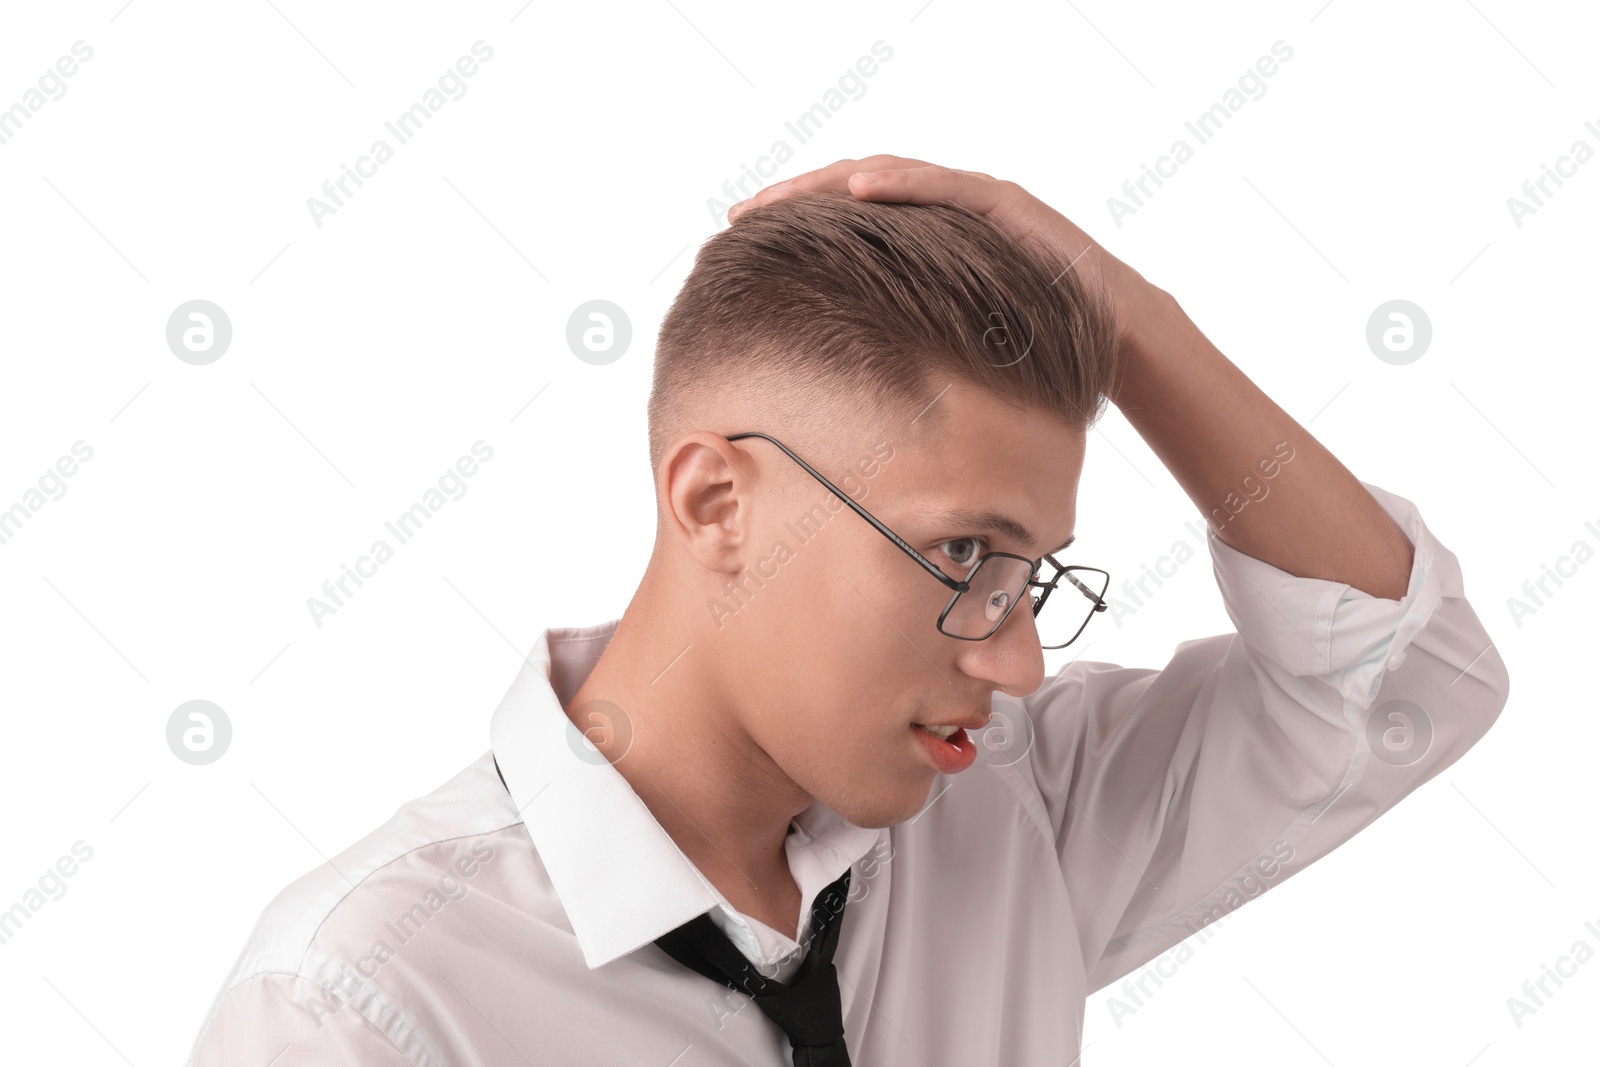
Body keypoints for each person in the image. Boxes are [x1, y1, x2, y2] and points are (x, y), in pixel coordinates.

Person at [185, 155, 1509, 1065]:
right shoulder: (360, 1003)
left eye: (1031, 571)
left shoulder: (1008, 812)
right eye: (961, 557)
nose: (1022, 659)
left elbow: (1396, 682)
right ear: (716, 506)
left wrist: (1131, 327)